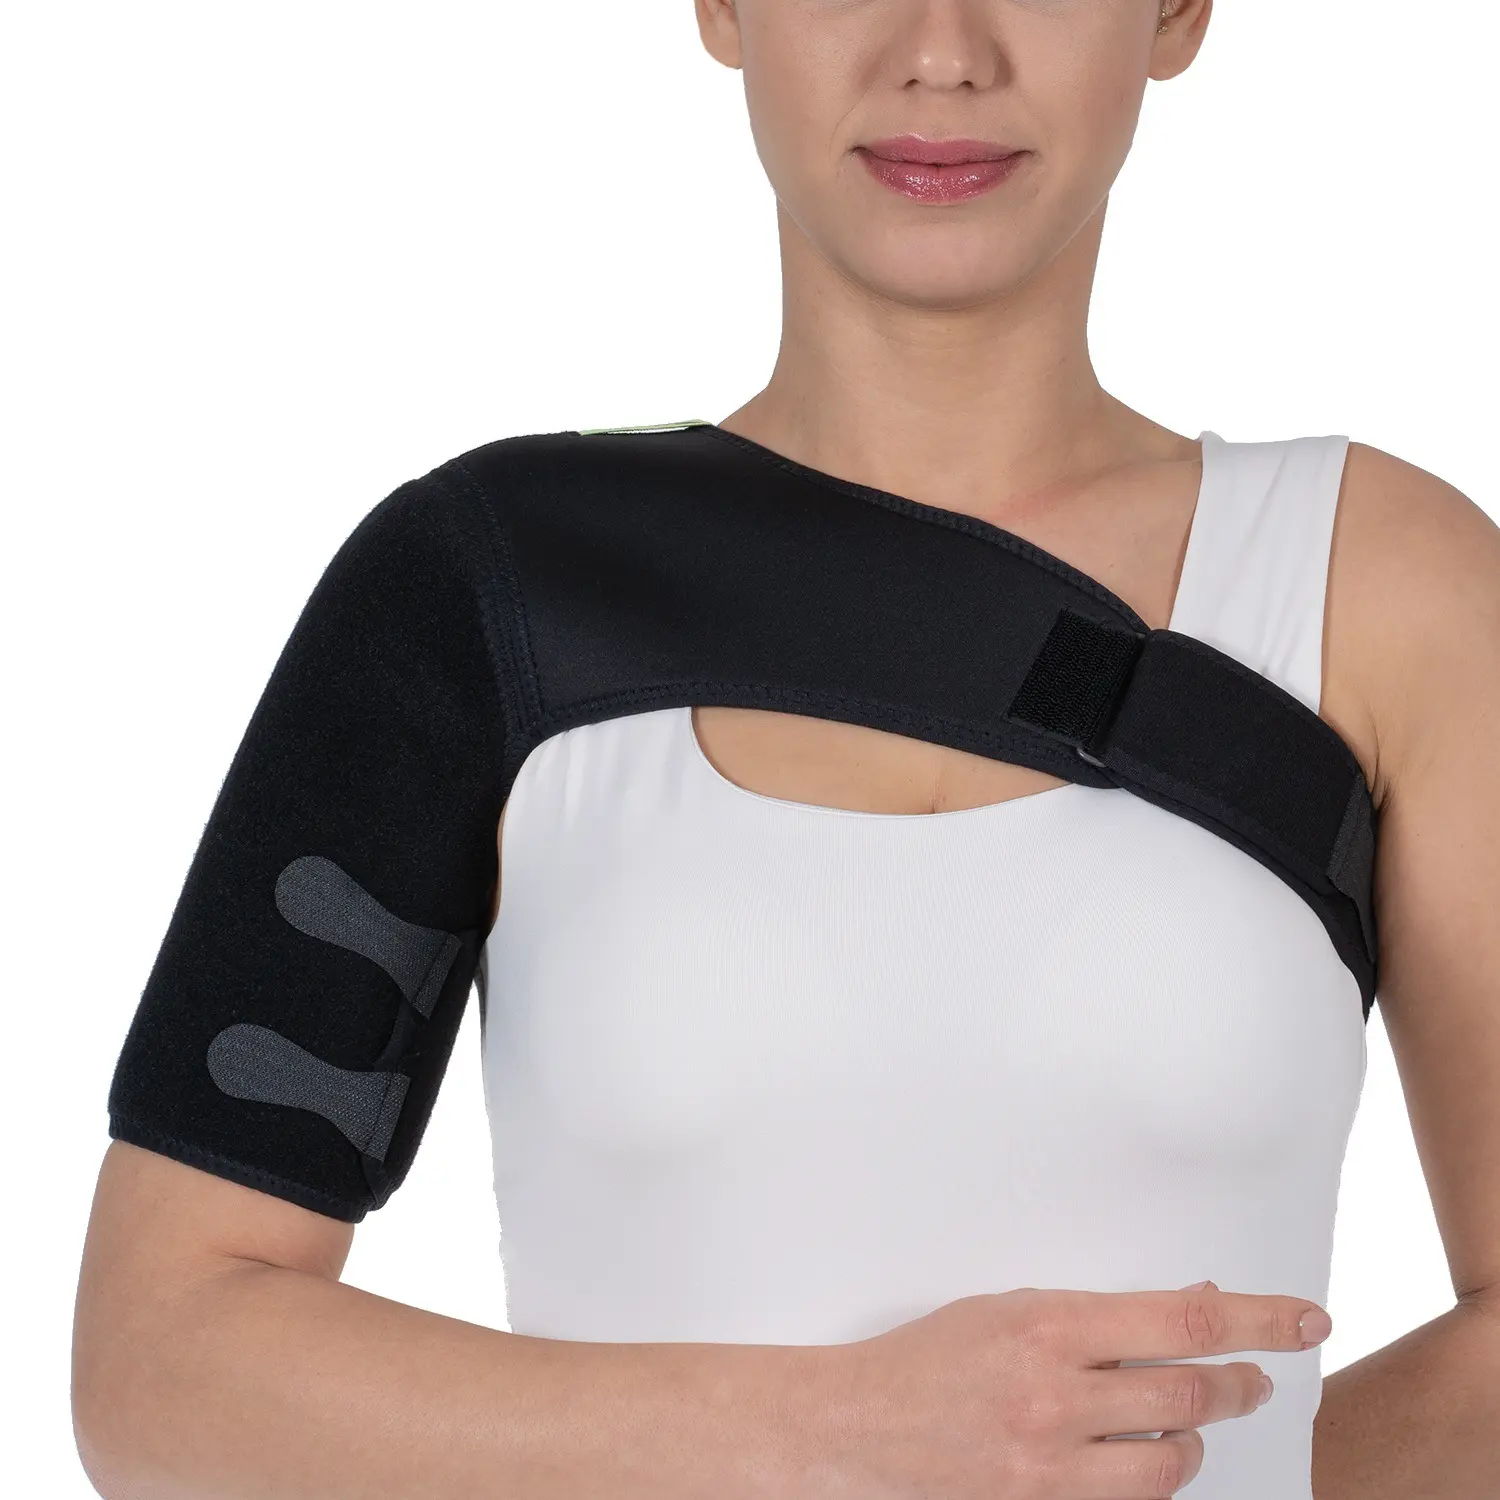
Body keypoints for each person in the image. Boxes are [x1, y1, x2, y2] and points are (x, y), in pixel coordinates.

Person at [72, 3, 1500, 1498]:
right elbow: (156, 1361)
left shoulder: (1375, 589)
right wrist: (843, 1435)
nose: (943, 49)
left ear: (1177, 12)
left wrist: (1219, 1473)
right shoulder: (492, 588)